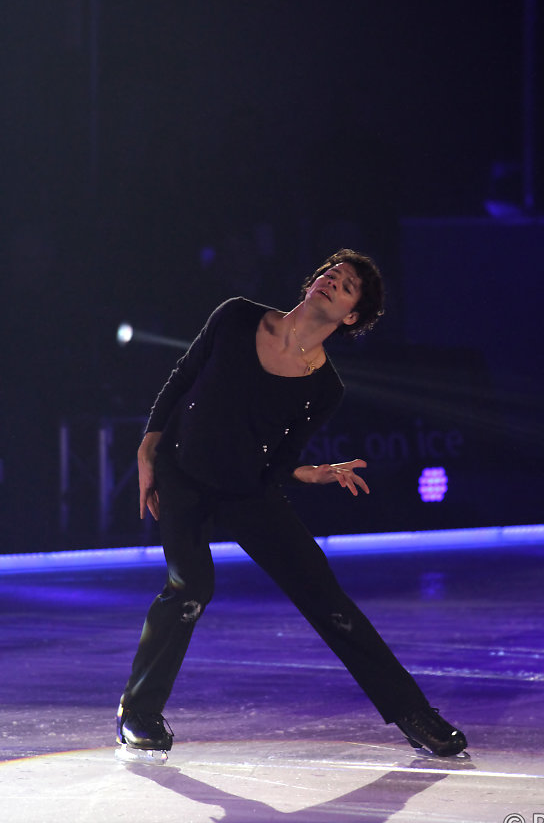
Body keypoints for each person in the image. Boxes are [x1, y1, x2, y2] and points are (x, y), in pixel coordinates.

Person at [116, 248, 468, 760]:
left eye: (346, 285)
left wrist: (308, 472)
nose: (332, 280)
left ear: (351, 316)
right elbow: (182, 377)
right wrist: (149, 446)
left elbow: (279, 459)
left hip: (248, 489)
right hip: (183, 474)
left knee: (326, 597)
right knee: (190, 585)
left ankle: (413, 711)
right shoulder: (236, 315)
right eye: (331, 272)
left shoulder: (325, 388)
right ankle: (138, 713)